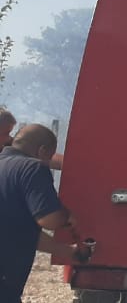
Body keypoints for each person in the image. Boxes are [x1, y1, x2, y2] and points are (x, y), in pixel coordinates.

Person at [0, 124, 89, 303]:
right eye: (49, 158)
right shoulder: (33, 167)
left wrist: (67, 252)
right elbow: (49, 218)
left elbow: (22, 231)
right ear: (42, 151)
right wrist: (66, 216)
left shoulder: (3, 165)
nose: (48, 163)